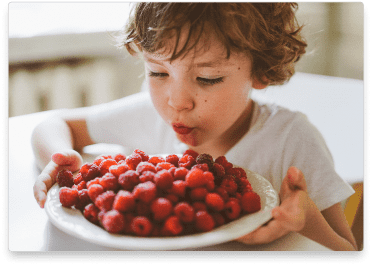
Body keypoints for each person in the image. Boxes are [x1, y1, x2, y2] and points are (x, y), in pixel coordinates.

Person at [32, 2, 357, 250]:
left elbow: (347, 250)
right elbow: (55, 124)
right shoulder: (149, 115)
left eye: (207, 78)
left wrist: (306, 218)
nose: (176, 101)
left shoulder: (292, 141)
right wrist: (60, 157)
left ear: (262, 72)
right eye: (158, 72)